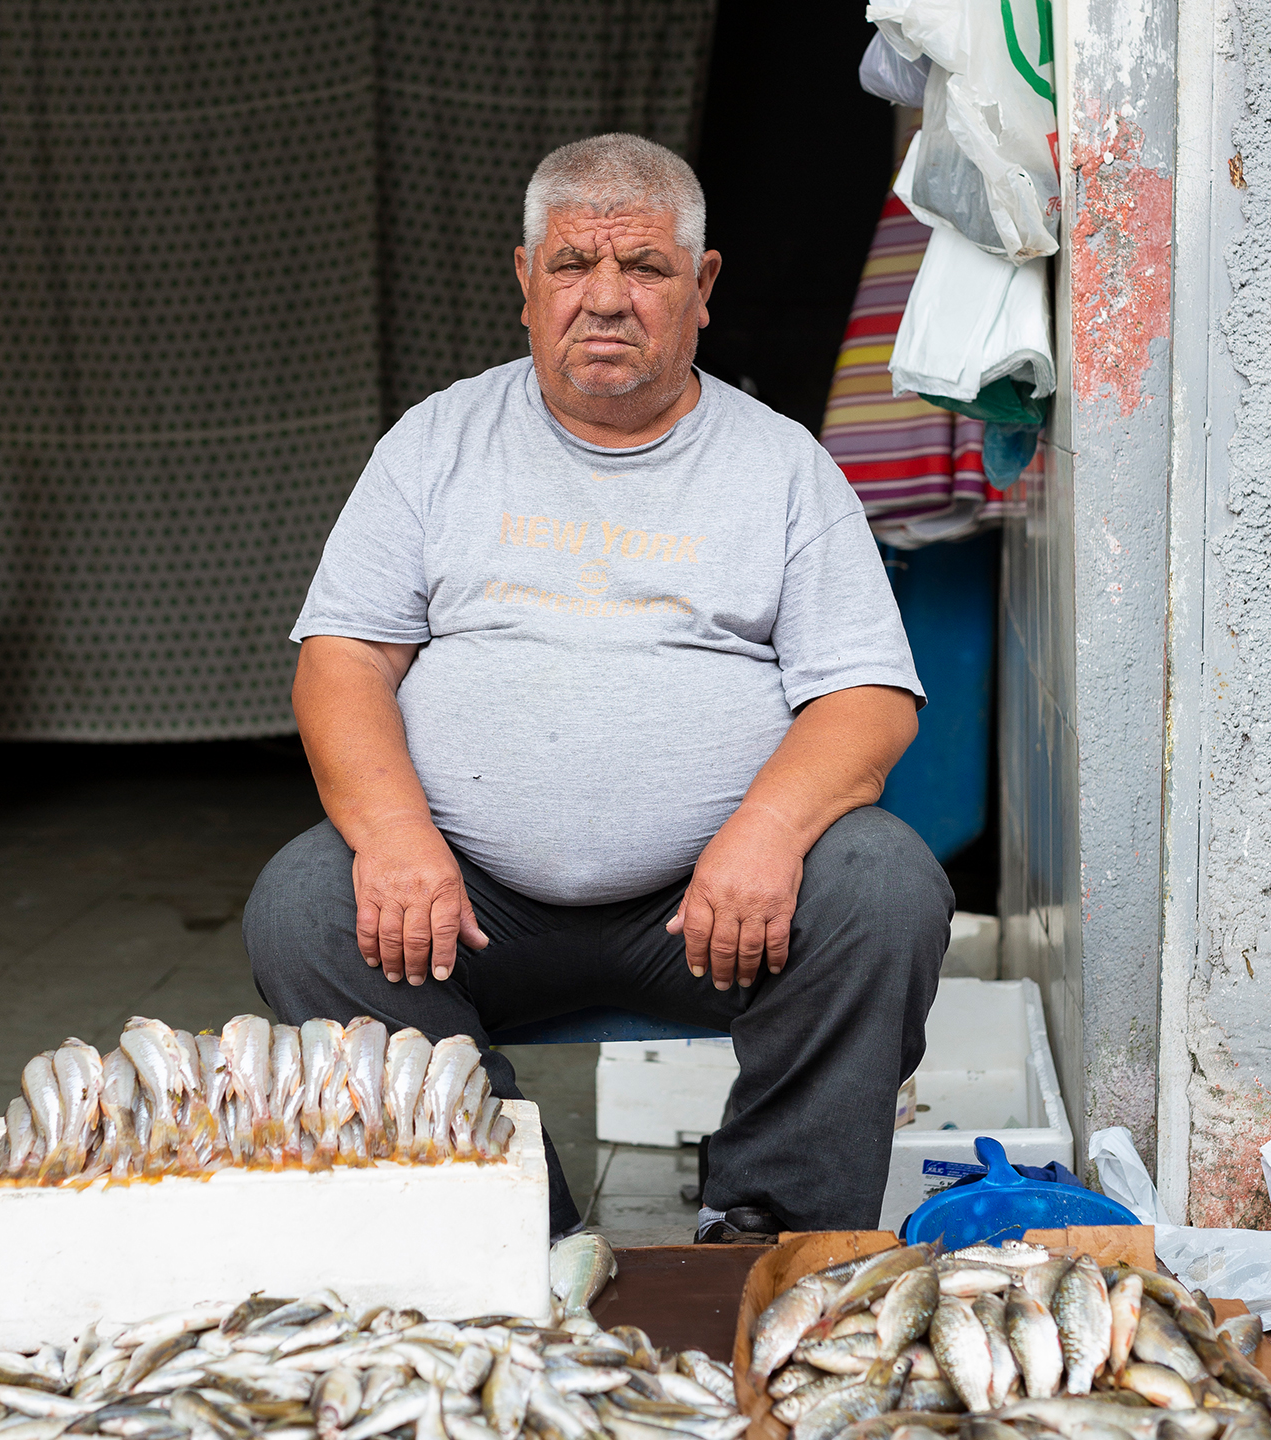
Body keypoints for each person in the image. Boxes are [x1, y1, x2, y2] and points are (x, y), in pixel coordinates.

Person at [244, 132, 953, 1243]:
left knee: (881, 886)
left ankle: (769, 1227)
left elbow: (864, 695)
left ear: (702, 286)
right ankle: (521, 1237)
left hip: (712, 909)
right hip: (470, 903)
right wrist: (390, 835)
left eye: (645, 269)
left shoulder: (778, 465)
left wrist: (764, 831)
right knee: (304, 907)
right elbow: (344, 656)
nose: (606, 299)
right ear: (526, 282)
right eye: (572, 265)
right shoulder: (434, 443)